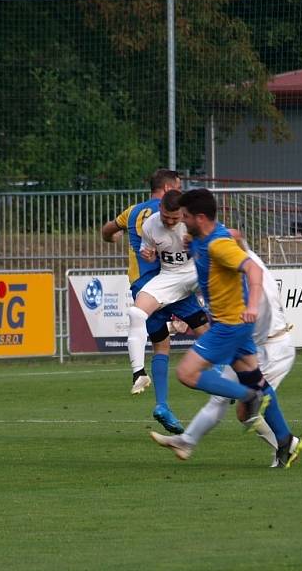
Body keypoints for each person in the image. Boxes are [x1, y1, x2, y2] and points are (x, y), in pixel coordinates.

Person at [153, 187, 302, 468]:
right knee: (255, 379)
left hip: (229, 326)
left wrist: (253, 306)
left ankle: (248, 397)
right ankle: (285, 441)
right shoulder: (205, 236)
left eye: (185, 216)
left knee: (186, 373)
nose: (181, 220)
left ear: (199, 217)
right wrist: (191, 241)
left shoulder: (217, 245)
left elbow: (253, 270)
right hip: (238, 328)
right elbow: (234, 234)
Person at [101, 169, 207, 434]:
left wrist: (112, 237)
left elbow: (108, 230)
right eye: (179, 185)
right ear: (169, 188)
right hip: (167, 284)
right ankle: (226, 382)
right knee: (206, 331)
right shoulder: (181, 215)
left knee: (161, 345)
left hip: (146, 285)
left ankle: (159, 400)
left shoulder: (133, 212)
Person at [127, 189, 210, 433]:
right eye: (166, 217)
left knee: (210, 329)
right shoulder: (151, 224)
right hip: (169, 281)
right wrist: (148, 253)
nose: (170, 222)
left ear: (183, 213)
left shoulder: (194, 222)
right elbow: (149, 252)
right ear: (160, 208)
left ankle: (223, 378)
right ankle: (142, 379)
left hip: (192, 277)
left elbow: (217, 245)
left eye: (175, 218)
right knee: (148, 327)